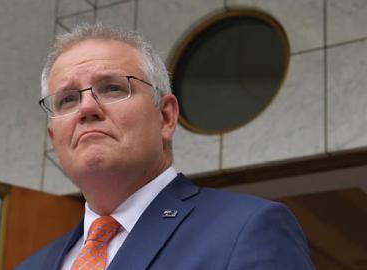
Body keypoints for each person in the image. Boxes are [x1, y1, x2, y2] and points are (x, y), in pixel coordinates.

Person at [17, 24, 314, 269]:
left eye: (112, 88)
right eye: (68, 99)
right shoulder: (29, 266)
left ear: (166, 116)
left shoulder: (247, 229)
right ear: (54, 139)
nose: (87, 108)